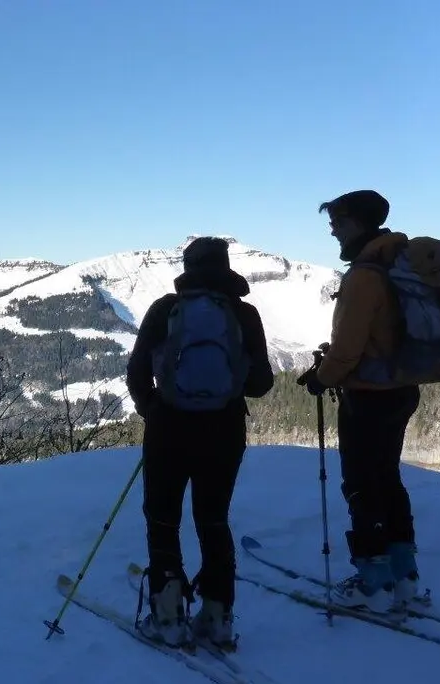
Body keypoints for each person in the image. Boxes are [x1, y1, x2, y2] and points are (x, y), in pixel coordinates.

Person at [125, 236, 274, 650]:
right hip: (224, 431)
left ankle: (169, 617)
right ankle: (217, 617)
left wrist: (151, 406)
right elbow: (261, 384)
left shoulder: (163, 310)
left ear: (187, 268)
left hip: (168, 429)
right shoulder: (245, 315)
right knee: (213, 519)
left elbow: (136, 371)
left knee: (162, 518)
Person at [296, 189, 425, 615]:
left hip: (368, 394)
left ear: (358, 223)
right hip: (403, 388)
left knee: (360, 484)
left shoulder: (364, 276)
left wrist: (321, 378)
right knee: (387, 479)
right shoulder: (401, 262)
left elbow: (348, 349)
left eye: (338, 222)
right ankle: (404, 577)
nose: (333, 230)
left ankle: (373, 581)